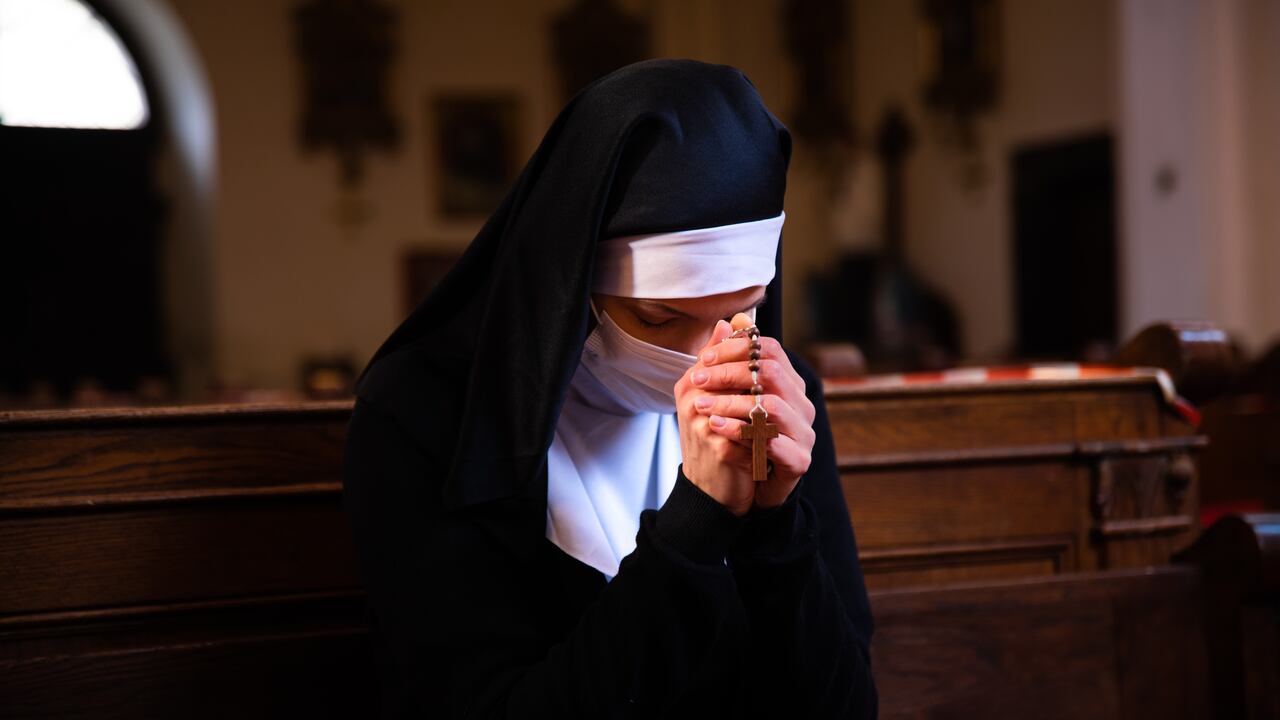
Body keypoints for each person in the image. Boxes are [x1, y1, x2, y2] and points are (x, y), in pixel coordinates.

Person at [342, 58, 877, 718]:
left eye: (741, 315)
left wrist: (776, 525)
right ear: (572, 284)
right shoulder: (420, 416)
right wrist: (698, 518)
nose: (699, 360)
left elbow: (842, 707)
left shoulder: (780, 394)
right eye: (657, 318)